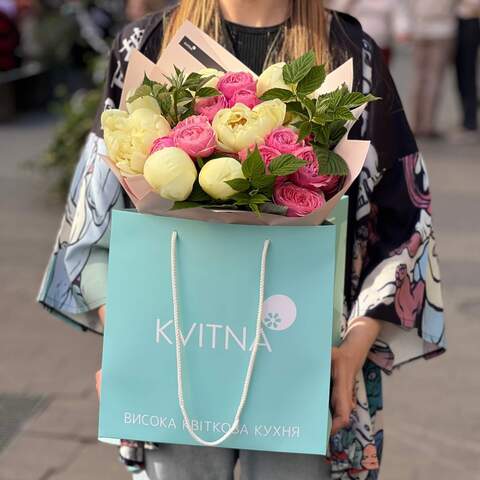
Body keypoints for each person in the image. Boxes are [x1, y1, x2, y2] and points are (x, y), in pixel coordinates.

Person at [37, 1, 446, 479]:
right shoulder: (149, 44)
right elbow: (95, 212)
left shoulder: (353, 54)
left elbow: (402, 219)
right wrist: (126, 341)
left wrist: (352, 352)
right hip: (175, 361)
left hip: (303, 365)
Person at [409, 0, 456, 138]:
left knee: (418, 78)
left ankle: (414, 122)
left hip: (419, 29)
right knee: (433, 79)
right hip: (441, 30)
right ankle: (427, 124)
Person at [325, 0, 410, 66]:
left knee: (380, 75)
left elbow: (399, 16)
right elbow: (337, 10)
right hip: (355, 44)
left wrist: (401, 31)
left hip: (381, 45)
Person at [451, 0, 480, 143]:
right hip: (457, 22)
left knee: (467, 74)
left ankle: (470, 122)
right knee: (462, 74)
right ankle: (467, 120)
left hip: (471, 20)